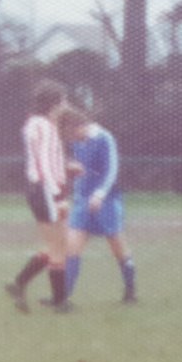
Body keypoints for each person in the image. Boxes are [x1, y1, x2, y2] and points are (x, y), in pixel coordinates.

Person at [5, 78, 77, 313]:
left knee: (59, 242)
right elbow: (43, 163)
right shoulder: (43, 126)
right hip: (46, 189)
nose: (66, 105)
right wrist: (58, 194)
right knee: (58, 244)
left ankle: (20, 283)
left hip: (46, 188)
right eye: (63, 100)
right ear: (54, 103)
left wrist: (66, 168)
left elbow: (48, 159)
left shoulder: (42, 124)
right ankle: (59, 301)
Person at [57, 106, 137, 304]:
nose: (71, 139)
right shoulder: (78, 142)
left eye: (70, 133)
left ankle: (130, 291)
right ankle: (63, 297)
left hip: (106, 201)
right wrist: (71, 168)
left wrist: (100, 195)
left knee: (118, 247)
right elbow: (79, 167)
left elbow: (112, 170)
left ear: (79, 126)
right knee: (72, 247)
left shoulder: (104, 138)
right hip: (82, 200)